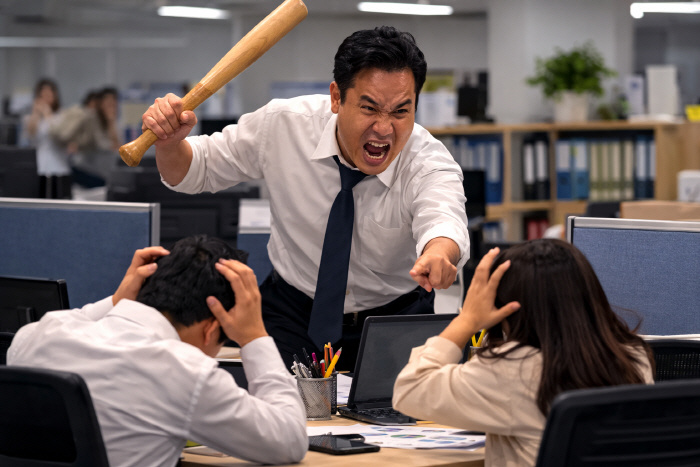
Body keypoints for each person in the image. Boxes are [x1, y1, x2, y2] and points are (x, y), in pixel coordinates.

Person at [140, 26, 470, 370]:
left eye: (401, 111)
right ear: (337, 97)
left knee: (397, 404)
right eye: (369, 108)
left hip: (392, 318)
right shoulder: (283, 125)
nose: (384, 128)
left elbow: (444, 219)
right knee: (279, 402)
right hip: (292, 311)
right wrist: (170, 144)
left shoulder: (427, 160)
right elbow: (194, 171)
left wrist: (438, 253)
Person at [7, 235, 307, 467]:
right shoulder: (186, 372)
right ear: (211, 329)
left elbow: (76, 318)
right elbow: (290, 441)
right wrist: (254, 336)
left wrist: (118, 300)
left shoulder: (34, 336)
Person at [393, 240, 654, 467]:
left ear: (506, 307)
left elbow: (409, 389)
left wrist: (468, 319)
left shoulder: (513, 368)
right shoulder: (633, 356)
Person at [23, 78, 72, 198]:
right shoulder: (30, 118)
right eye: (42, 96)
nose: (46, 99)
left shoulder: (62, 116)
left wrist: (48, 115)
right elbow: (30, 137)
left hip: (58, 167)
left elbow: (60, 136)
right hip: (39, 167)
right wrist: (35, 114)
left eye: (49, 96)